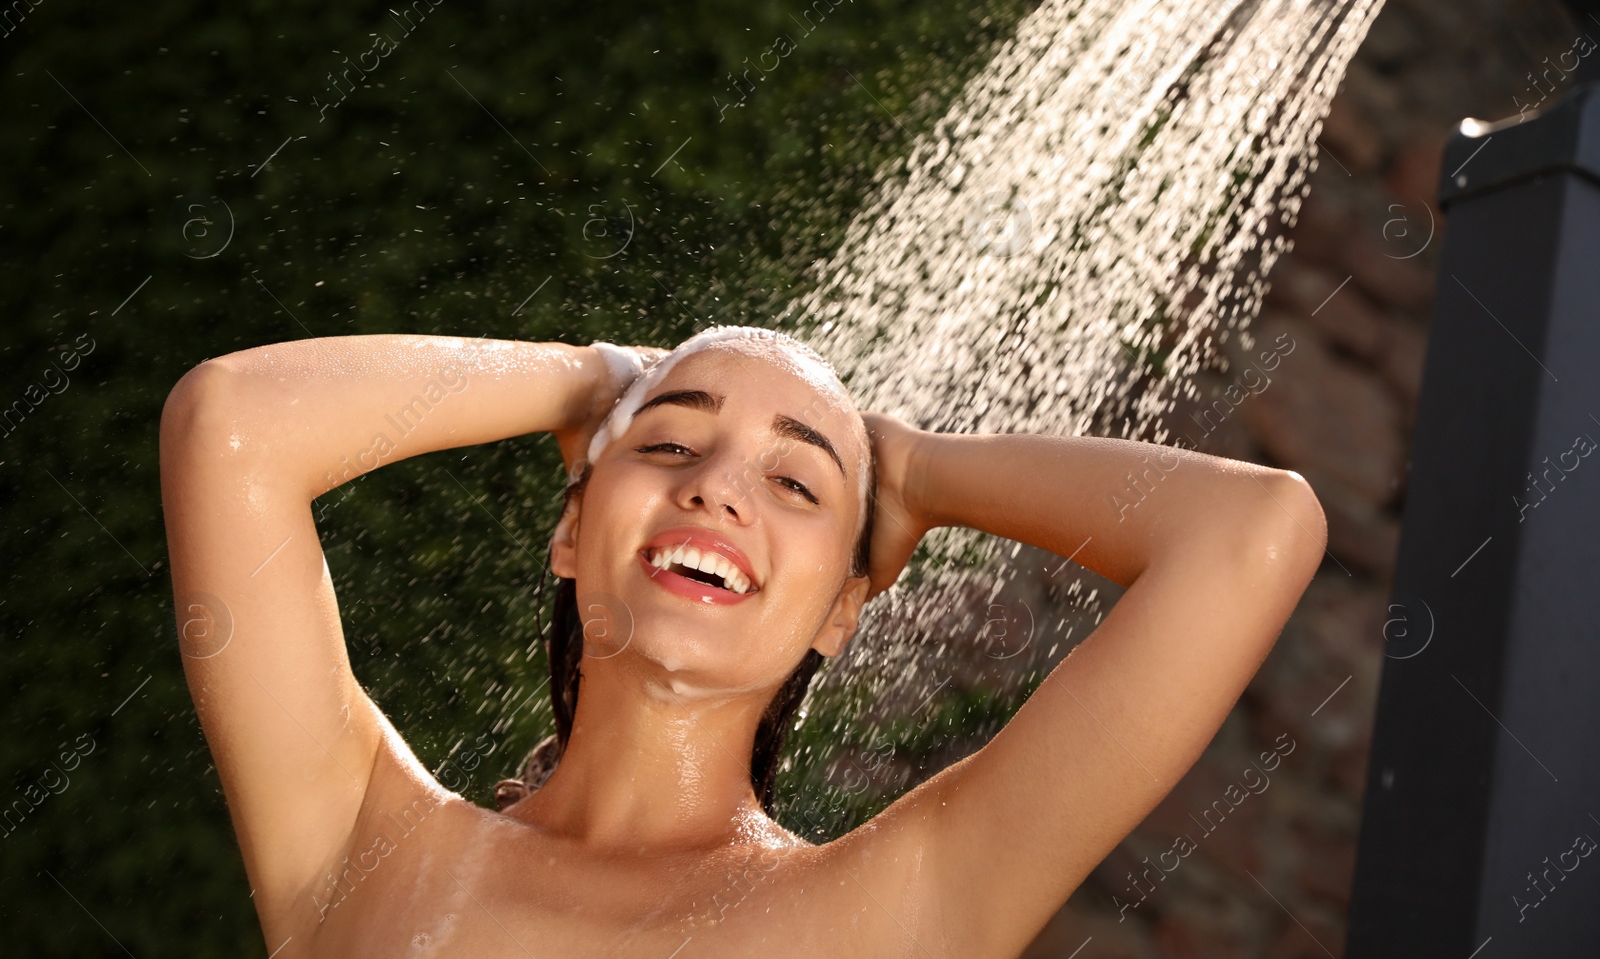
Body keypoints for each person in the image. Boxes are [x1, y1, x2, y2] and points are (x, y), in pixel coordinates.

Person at [159, 324, 1326, 958]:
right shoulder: (361, 833)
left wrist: (912, 467)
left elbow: (1252, 530)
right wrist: (598, 374)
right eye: (668, 445)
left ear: (838, 611)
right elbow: (232, 424)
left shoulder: (899, 906)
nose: (718, 487)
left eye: (794, 482)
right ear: (572, 530)